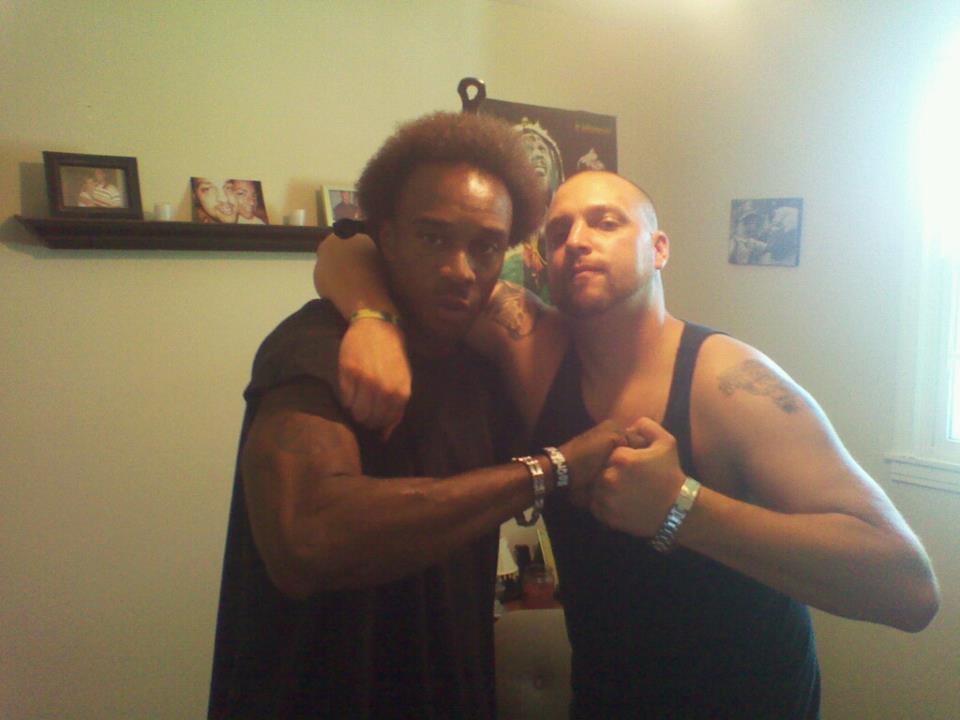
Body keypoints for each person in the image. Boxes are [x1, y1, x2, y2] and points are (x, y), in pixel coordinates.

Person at [314, 170, 940, 718]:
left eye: (606, 222)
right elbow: (350, 247)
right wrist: (372, 321)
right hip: (604, 702)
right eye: (558, 233)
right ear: (543, 265)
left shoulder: (730, 382)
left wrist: (681, 507)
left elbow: (907, 587)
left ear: (658, 248)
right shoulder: (532, 349)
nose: (577, 240)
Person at [208, 113, 630, 719]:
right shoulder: (316, 344)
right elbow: (306, 538)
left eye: (485, 246)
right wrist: (546, 472)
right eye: (433, 238)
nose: (460, 269)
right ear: (387, 237)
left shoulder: (484, 368)